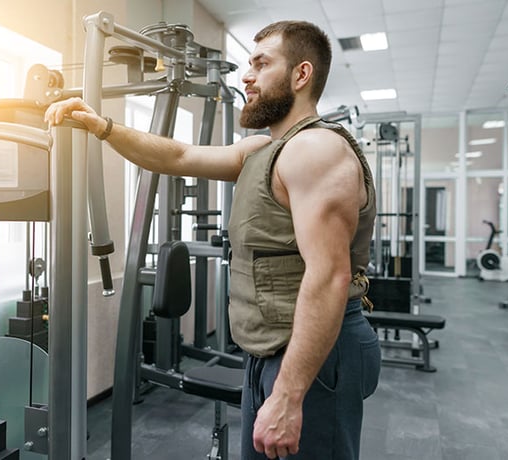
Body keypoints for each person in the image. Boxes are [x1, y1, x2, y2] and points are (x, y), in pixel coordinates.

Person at [46, 20, 381, 460]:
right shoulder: (265, 150)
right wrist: (104, 127)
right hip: (272, 348)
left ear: (301, 75)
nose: (247, 76)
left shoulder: (316, 150)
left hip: (313, 353)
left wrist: (288, 395)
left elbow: (330, 276)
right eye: (249, 64)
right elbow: (179, 155)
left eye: (262, 65)